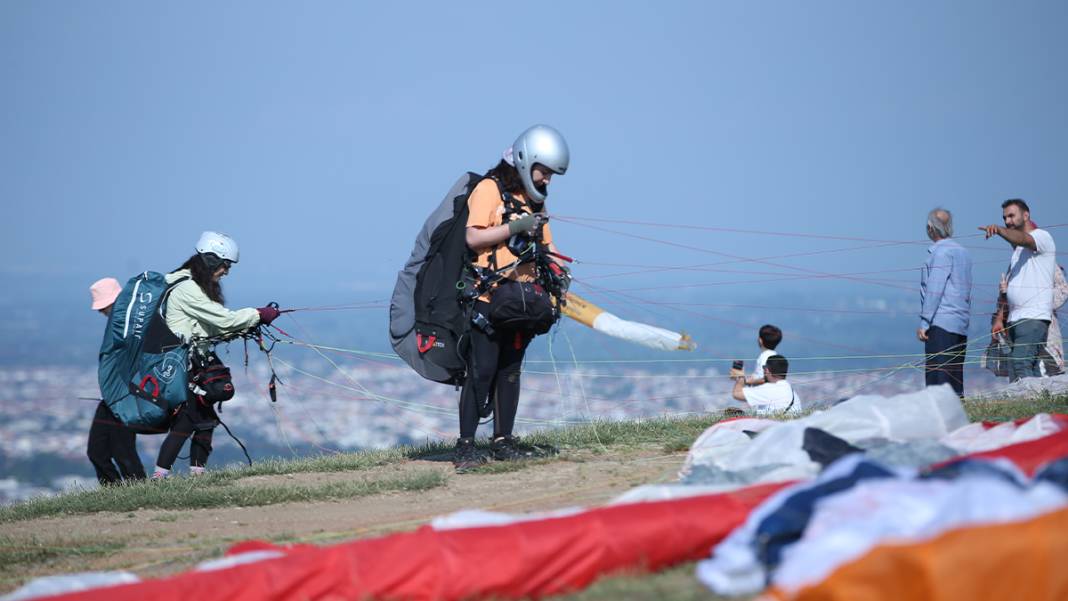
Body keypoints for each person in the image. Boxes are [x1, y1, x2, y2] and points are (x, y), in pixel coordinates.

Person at [454, 125, 570, 470]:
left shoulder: (535, 200)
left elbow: (547, 245)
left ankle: (503, 440)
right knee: (482, 370)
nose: (547, 180)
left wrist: (559, 270)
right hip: (488, 299)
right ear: (525, 161)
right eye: (544, 171)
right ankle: (465, 446)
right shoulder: (488, 189)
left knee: (510, 371)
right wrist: (515, 227)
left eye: (550, 174)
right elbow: (473, 238)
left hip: (522, 300)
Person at [151, 232, 279, 479]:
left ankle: (193, 475)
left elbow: (208, 327)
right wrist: (258, 314)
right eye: (225, 265)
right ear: (211, 260)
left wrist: (244, 327)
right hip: (183, 364)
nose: (226, 272)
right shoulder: (187, 288)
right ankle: (159, 478)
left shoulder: (189, 283)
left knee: (206, 419)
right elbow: (223, 320)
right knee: (190, 420)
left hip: (189, 360)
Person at [981, 199, 1058, 381]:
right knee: (1025, 368)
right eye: (1004, 218)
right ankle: (1037, 399)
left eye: (1011, 216)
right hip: (1015, 319)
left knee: (1021, 364)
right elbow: (1010, 287)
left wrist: (999, 230)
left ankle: (1029, 399)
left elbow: (1024, 239)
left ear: (1026, 215)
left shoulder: (1042, 236)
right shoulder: (1017, 252)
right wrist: (1000, 317)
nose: (1007, 221)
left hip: (1033, 317)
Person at [87, 277, 146, 485]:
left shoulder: (131, 324)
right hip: (111, 397)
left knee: (123, 451)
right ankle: (114, 492)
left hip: (126, 397)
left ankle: (140, 491)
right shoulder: (119, 324)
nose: (101, 312)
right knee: (96, 452)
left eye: (103, 307)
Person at [917, 208, 973, 397]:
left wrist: (925, 322)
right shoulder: (964, 253)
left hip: (941, 323)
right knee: (955, 378)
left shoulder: (940, 254)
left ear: (930, 228)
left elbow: (934, 289)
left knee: (938, 381)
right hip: (960, 324)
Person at [730, 355, 800, 415]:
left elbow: (736, 394)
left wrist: (740, 376)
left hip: (775, 425)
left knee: (731, 412)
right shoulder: (789, 389)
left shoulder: (770, 389)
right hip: (785, 423)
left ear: (766, 370)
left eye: (763, 367)